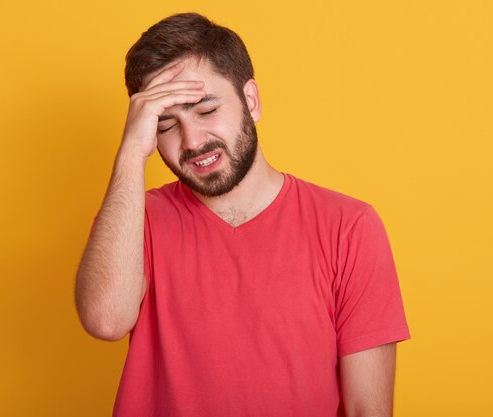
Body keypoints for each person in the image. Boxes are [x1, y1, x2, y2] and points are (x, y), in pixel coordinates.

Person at [75, 12, 410, 417]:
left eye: (205, 110)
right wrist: (131, 153)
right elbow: (105, 321)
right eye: (166, 124)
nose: (193, 141)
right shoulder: (133, 221)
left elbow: (367, 409)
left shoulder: (349, 226)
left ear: (250, 101)